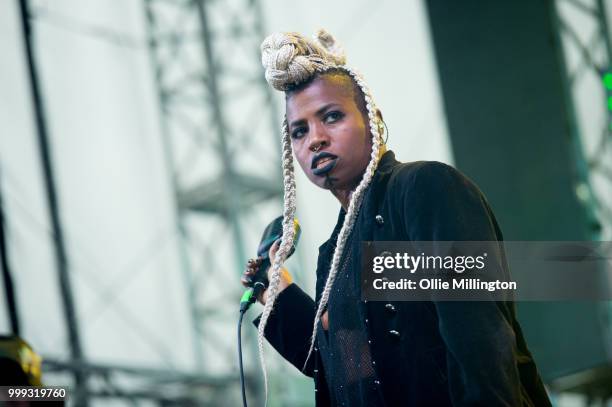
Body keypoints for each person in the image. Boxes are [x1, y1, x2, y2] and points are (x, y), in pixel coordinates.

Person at [241, 29, 552, 406]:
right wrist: (280, 293)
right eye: (299, 130)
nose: (315, 139)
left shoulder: (425, 188)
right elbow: (352, 368)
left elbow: (478, 337)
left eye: (332, 117)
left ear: (372, 120)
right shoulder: (334, 255)